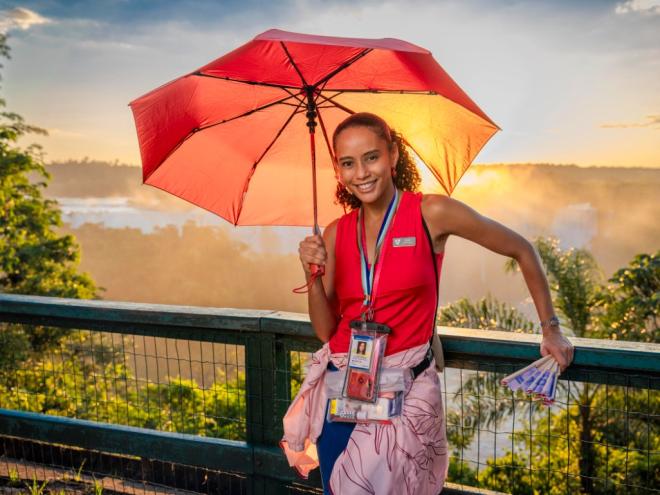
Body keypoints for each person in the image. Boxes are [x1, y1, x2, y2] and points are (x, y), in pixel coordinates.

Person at [280, 112, 574, 495]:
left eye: (371, 157)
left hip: (407, 394)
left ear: (393, 155)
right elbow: (325, 330)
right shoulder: (335, 233)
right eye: (348, 163)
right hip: (345, 394)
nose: (361, 173)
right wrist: (311, 273)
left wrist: (551, 330)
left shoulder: (430, 213)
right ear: (338, 171)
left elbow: (522, 249)